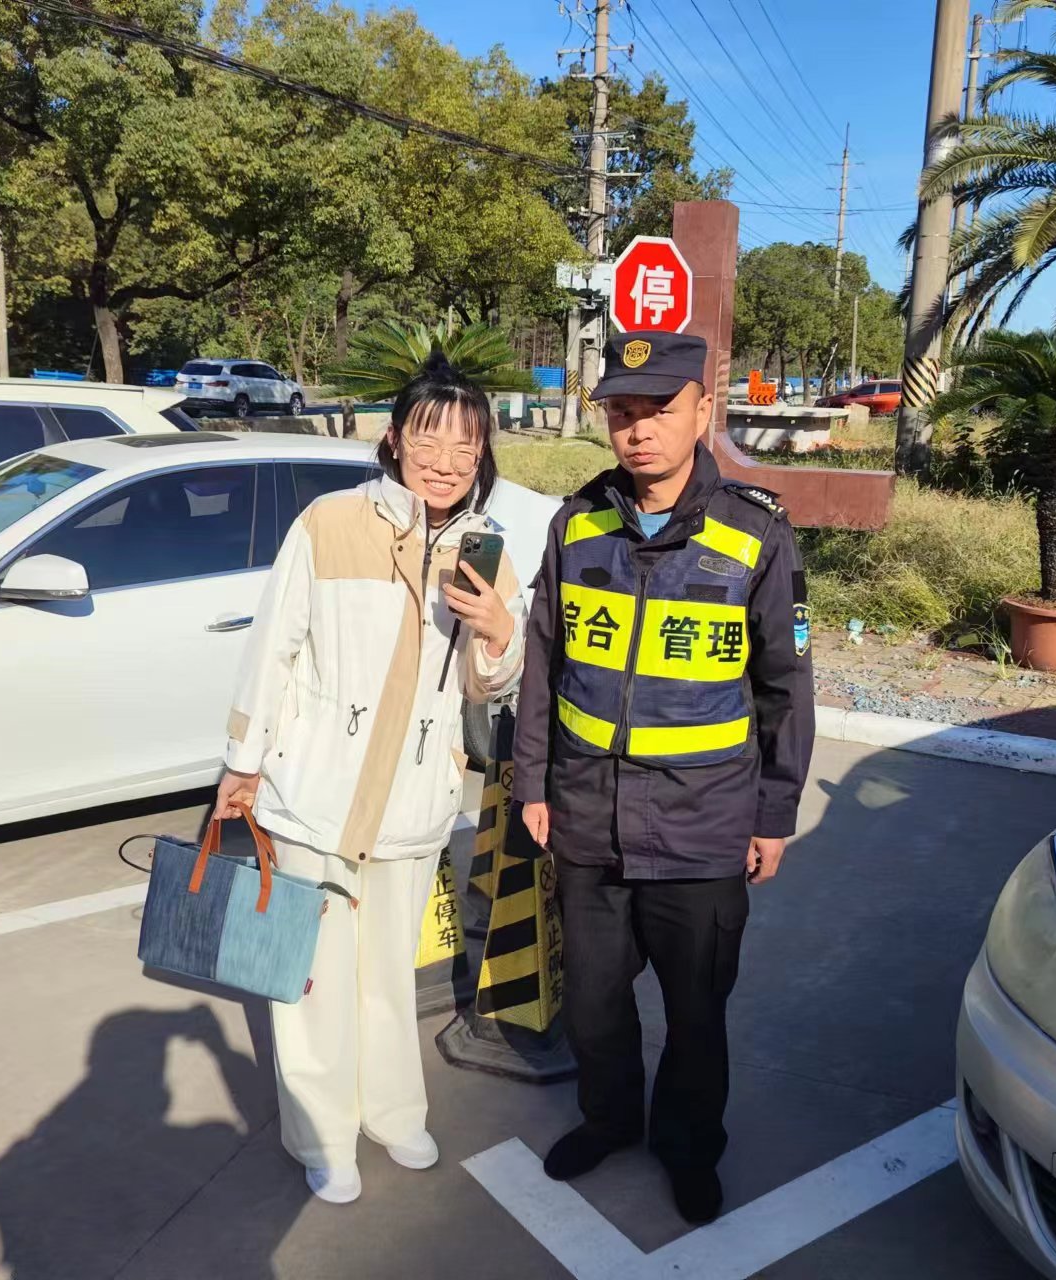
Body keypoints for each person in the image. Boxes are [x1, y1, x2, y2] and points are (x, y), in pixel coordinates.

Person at [513, 331, 814, 1224]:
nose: (638, 430)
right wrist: (533, 783)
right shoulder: (578, 524)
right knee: (595, 1001)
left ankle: (687, 1145)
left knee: (695, 1010)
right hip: (586, 812)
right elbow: (543, 664)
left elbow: (785, 685)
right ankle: (609, 1120)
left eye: (659, 410)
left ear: (703, 413)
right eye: (623, 412)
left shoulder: (755, 534)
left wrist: (775, 812)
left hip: (702, 821)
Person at [214, 353, 526, 1205]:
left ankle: (392, 1112)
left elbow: (488, 687)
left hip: (415, 801)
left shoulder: (486, 550)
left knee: (389, 971)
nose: (446, 462)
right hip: (313, 796)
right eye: (429, 439)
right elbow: (272, 650)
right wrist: (243, 762)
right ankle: (324, 1135)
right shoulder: (330, 522)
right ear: (394, 439)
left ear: (483, 453)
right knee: (313, 979)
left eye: (465, 447)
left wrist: (499, 630)